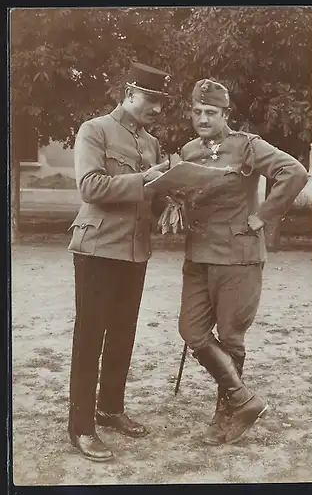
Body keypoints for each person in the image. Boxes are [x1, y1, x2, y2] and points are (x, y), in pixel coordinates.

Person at [176, 78, 308, 446]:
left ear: (225, 114)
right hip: (197, 256)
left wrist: (262, 215)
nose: (203, 118)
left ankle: (226, 416)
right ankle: (244, 398)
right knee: (191, 330)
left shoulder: (248, 146)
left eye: (211, 113)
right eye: (197, 111)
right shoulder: (187, 150)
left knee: (232, 337)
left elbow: (294, 173)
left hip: (238, 257)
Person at [67, 61, 172, 462]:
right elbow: (90, 187)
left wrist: (173, 188)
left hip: (134, 251)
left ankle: (110, 409)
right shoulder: (94, 130)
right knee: (89, 338)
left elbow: (151, 196)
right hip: (97, 250)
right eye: (150, 99)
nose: (157, 109)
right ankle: (80, 428)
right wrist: (147, 180)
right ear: (129, 93)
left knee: (122, 336)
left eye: (161, 102)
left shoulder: (151, 143)